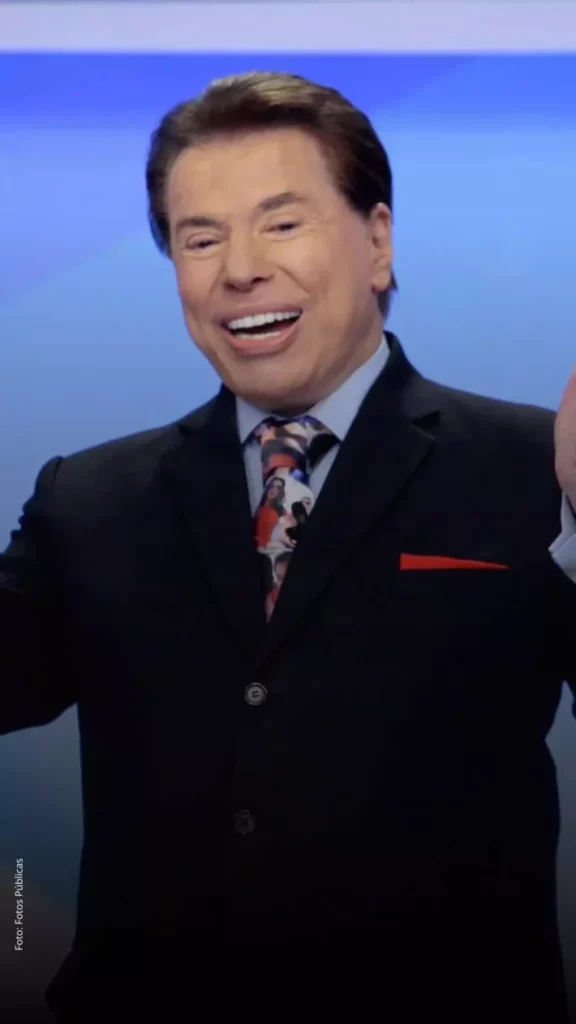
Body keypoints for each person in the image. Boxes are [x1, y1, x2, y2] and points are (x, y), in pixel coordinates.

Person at [2, 69, 576, 1020]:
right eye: (200, 238)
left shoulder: (533, 469)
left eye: (280, 222)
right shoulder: (89, 500)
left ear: (378, 241)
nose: (240, 269)